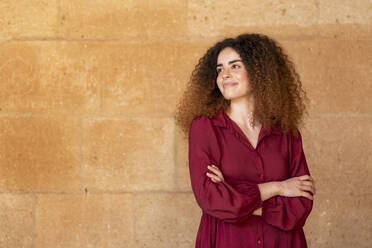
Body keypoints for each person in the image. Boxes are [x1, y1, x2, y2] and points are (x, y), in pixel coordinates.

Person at [174, 33, 316, 248]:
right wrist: (278, 188)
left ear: (259, 72)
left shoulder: (286, 131)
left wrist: (234, 194)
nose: (225, 75)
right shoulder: (205, 128)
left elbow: (300, 207)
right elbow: (211, 199)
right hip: (227, 241)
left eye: (235, 66)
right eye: (220, 69)